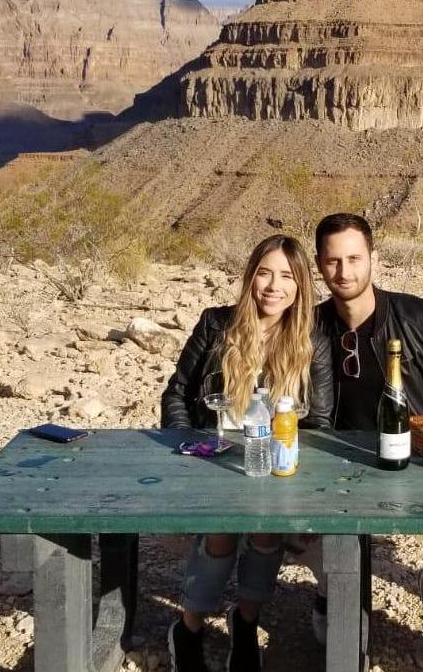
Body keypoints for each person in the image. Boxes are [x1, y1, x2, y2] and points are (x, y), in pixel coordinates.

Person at [309, 212, 423, 663]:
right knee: (293, 524)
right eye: (333, 261)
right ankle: (335, 588)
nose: (344, 272)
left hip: (422, 456)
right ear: (319, 265)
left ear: (374, 259)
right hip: (341, 460)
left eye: (354, 258)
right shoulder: (309, 326)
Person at [161, 234, 333, 672]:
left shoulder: (312, 341)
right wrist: (185, 444)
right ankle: (189, 628)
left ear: (300, 286)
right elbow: (178, 392)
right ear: (250, 277)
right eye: (264, 273)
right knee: (220, 533)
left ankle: (245, 623)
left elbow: (320, 423)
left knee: (266, 534)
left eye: (287, 277)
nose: (274, 286)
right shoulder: (216, 325)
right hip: (215, 457)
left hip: (276, 464)